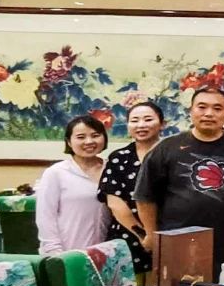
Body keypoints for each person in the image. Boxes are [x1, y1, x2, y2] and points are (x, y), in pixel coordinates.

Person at [134, 88, 224, 274]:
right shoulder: (166, 148)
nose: (209, 113)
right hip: (178, 238)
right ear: (191, 111)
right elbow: (145, 196)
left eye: (217, 108)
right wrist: (151, 234)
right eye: (202, 107)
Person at [99, 102, 164, 276]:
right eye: (134, 120)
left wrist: (157, 237)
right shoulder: (119, 158)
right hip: (128, 235)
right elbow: (115, 203)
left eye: (148, 119)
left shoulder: (173, 154)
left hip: (168, 236)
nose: (141, 125)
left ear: (162, 124)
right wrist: (145, 236)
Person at [37, 115, 110, 254]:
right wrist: (55, 252)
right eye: (81, 137)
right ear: (69, 142)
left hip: (106, 252)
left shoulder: (113, 169)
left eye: (95, 135)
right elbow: (45, 216)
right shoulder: (56, 173)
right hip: (67, 252)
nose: (89, 141)